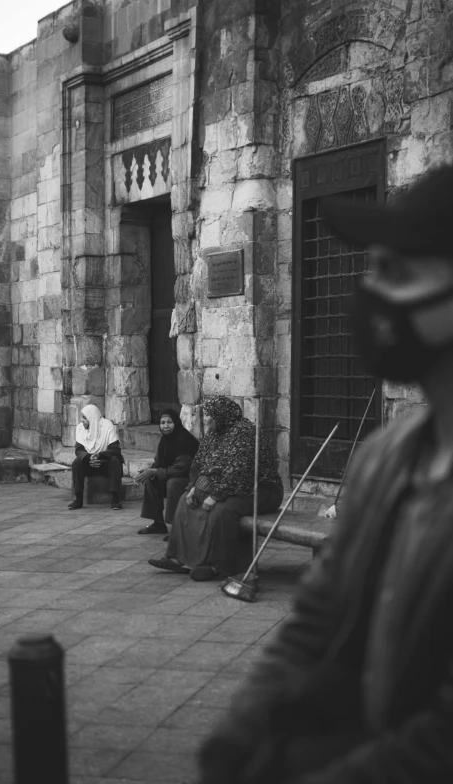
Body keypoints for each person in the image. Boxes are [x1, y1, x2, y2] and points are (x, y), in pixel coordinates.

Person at [196, 164, 453, 784]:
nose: (373, 293)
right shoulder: (387, 458)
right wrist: (242, 731)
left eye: (397, 272)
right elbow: (321, 615)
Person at [149, 396, 284, 581]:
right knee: (185, 501)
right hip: (229, 486)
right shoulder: (214, 435)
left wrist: (216, 495)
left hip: (260, 489)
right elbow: (201, 464)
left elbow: (240, 471)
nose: (205, 420)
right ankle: (177, 558)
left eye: (209, 416)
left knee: (222, 511)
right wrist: (194, 487)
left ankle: (219, 566)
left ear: (221, 416)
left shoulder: (244, 433)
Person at [136, 409, 199, 537]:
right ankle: (158, 523)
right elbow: (159, 462)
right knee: (152, 480)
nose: (165, 426)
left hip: (190, 479)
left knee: (173, 483)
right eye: (162, 422)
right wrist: (149, 471)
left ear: (176, 422)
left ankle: (177, 527)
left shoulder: (185, 440)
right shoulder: (165, 440)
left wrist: (154, 471)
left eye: (169, 422)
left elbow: (181, 469)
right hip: (171, 474)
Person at [68, 404, 124, 511]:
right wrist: (90, 458)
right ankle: (78, 499)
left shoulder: (107, 426)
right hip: (89, 462)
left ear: (92, 417)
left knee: (115, 461)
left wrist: (100, 456)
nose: (82, 420)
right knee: (76, 463)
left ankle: (115, 499)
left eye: (85, 418)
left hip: (105, 462)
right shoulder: (80, 428)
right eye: (82, 417)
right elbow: (78, 450)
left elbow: (115, 449)